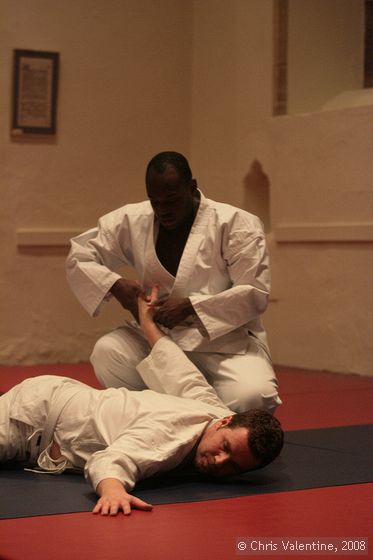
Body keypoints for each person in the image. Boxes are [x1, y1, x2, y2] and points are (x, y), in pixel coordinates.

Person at [0, 291, 284, 516]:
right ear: (225, 423)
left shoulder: (213, 412)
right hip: (32, 416)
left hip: (57, 400)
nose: (220, 462)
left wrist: (147, 322)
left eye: (233, 467)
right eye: (225, 448)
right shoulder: (171, 436)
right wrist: (113, 492)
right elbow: (112, 460)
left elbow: (176, 369)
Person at [65, 151, 281, 413]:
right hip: (159, 337)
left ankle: (187, 416)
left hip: (224, 344)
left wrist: (191, 307)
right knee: (108, 353)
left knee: (253, 397)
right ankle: (163, 417)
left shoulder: (235, 224)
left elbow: (254, 293)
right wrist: (114, 285)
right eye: (154, 200)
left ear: (191, 187)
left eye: (171, 200)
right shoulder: (133, 219)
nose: (162, 209)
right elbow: (79, 255)